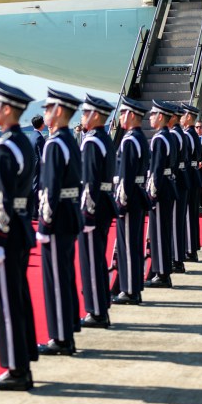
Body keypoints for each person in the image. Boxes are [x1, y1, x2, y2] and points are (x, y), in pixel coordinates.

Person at [0, 80, 38, 391]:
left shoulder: (5, 146)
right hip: (21, 226)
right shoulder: (25, 142)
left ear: (6, 110)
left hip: (6, 232)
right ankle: (23, 360)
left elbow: (1, 196)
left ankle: (16, 369)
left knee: (6, 302)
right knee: (17, 297)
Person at [35, 88, 83, 356]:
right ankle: (69, 327)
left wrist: (44, 225)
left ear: (60, 112)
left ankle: (61, 337)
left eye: (48, 108)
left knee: (55, 279)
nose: (44, 113)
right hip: (70, 213)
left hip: (57, 219)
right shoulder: (69, 141)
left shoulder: (55, 143)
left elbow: (50, 190)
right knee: (64, 275)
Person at [78, 94, 116, 328]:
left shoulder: (92, 142)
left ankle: (96, 311)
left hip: (94, 205)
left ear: (94, 116)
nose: (82, 116)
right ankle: (102, 304)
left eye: (84, 113)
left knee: (90, 259)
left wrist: (87, 213)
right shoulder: (104, 139)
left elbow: (90, 182)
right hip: (104, 202)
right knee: (97, 257)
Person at [111, 97, 150, 305]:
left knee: (127, 246)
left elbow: (126, 176)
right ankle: (134, 287)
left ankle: (129, 290)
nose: (120, 117)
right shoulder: (140, 138)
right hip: (138, 195)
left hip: (130, 197)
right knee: (133, 245)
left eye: (123, 113)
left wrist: (120, 202)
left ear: (132, 115)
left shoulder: (129, 140)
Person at [145, 101, 176, 289]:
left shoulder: (159, 139)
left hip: (161, 189)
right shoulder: (169, 137)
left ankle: (161, 274)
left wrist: (152, 193)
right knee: (163, 232)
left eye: (153, 114)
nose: (150, 117)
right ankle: (163, 272)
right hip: (168, 186)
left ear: (160, 117)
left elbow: (156, 170)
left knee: (158, 233)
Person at [165, 103, 189, 274]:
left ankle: (176, 259)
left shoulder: (174, 135)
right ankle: (178, 258)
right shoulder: (181, 134)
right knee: (177, 222)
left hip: (176, 180)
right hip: (182, 178)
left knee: (174, 222)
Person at [180, 104, 202, 261]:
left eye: (183, 115)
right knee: (192, 214)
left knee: (188, 214)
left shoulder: (187, 135)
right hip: (194, 175)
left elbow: (185, 159)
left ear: (188, 117)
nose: (181, 117)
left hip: (188, 175)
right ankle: (192, 247)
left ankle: (189, 249)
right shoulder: (192, 134)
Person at [29, 114, 45, 219]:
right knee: (36, 187)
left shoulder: (32, 135)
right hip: (37, 166)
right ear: (41, 124)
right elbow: (42, 155)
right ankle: (34, 212)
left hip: (32, 165)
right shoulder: (39, 137)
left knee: (33, 186)